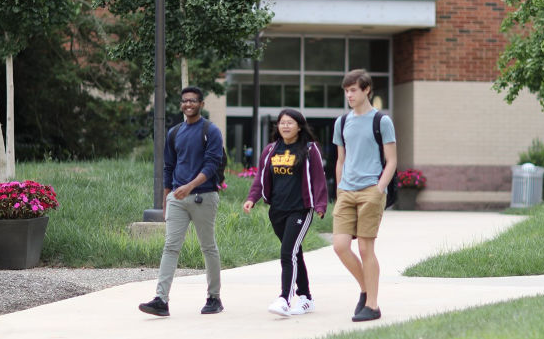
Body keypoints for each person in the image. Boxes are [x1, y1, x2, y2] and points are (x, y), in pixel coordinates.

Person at [139, 87, 224, 317]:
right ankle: (161, 300)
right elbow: (169, 167)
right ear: (181, 104)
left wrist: (190, 186)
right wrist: (167, 196)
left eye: (193, 101)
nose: (188, 104)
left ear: (201, 104)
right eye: (185, 101)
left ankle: (214, 298)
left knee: (208, 247)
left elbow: (212, 164)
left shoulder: (211, 131)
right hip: (176, 198)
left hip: (203, 196)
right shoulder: (174, 132)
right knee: (170, 247)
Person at [243, 108, 328, 317]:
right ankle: (306, 297)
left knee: (287, 252)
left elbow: (318, 177)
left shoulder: (309, 149)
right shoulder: (271, 150)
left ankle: (284, 298)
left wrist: (320, 205)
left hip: (300, 209)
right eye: (282, 122)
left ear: (299, 126)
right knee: (294, 253)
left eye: (290, 122)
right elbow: (260, 177)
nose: (286, 126)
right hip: (277, 211)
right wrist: (252, 198)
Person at [331, 69, 397, 322]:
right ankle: (365, 288)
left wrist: (379, 190)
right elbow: (340, 160)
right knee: (340, 247)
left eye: (353, 90)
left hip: (371, 189)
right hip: (346, 191)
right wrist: (339, 189)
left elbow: (391, 161)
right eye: (346, 90)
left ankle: (372, 305)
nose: (349, 94)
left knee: (365, 248)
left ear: (366, 90)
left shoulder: (381, 121)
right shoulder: (342, 122)